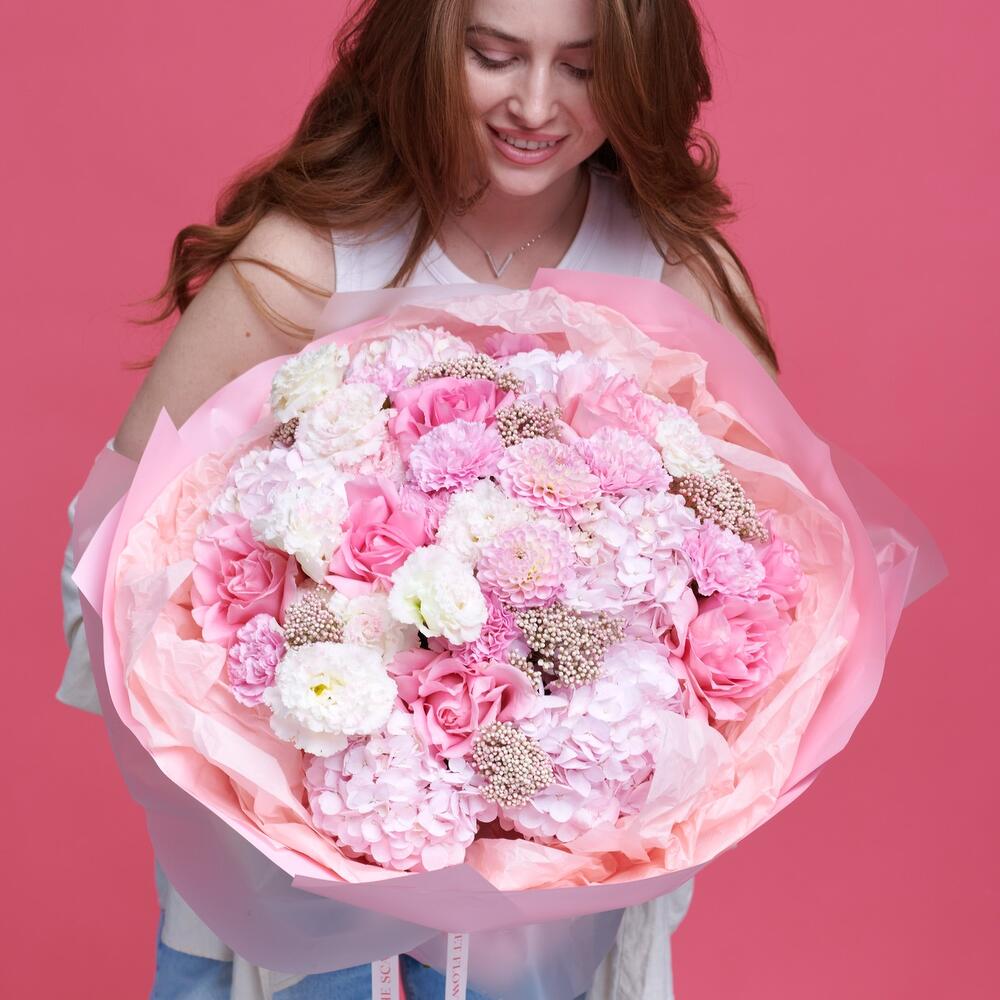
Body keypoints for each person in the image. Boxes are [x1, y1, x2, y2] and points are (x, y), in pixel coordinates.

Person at [58, 1, 781, 997]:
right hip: (296, 882)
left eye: (582, 69)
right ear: (428, 46)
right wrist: (301, 734)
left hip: (543, 906)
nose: (536, 104)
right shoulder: (312, 258)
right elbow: (114, 557)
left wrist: (575, 756)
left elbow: (759, 563)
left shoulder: (673, 273)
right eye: (494, 56)